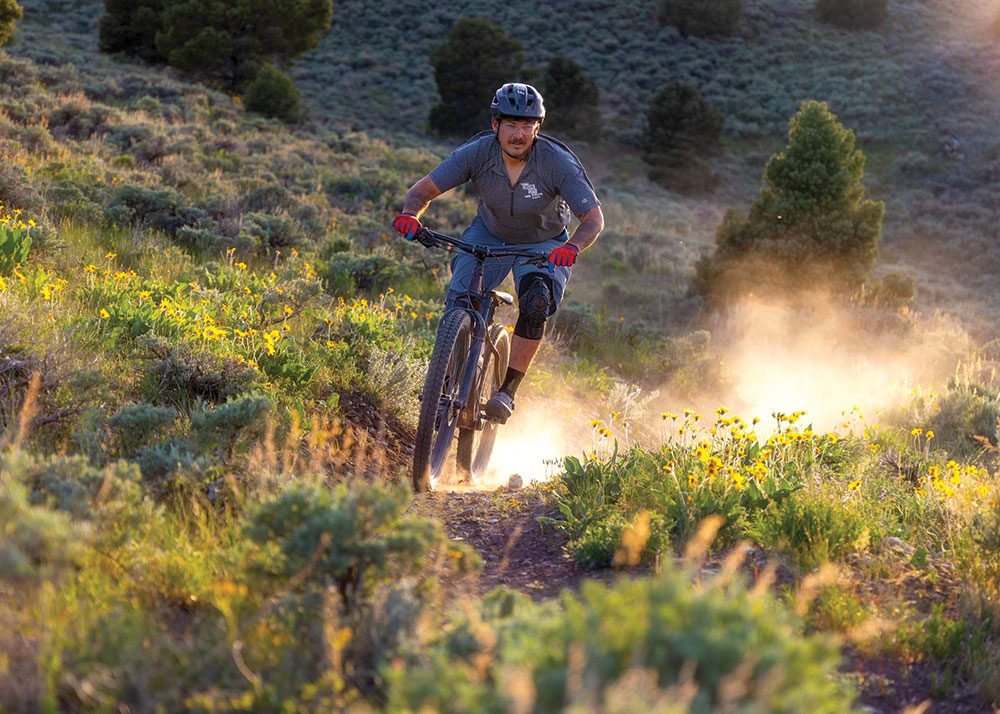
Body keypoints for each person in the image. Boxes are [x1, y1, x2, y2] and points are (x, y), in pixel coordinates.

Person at [392, 82, 604, 423]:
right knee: (462, 299)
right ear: (496, 125)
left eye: (526, 126)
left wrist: (571, 247)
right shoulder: (477, 152)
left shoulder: (557, 162)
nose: (518, 134)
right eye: (511, 125)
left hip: (544, 244)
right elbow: (423, 190)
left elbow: (593, 219)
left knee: (537, 302)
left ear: (538, 128)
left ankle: (506, 392)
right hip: (487, 234)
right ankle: (442, 386)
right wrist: (410, 216)